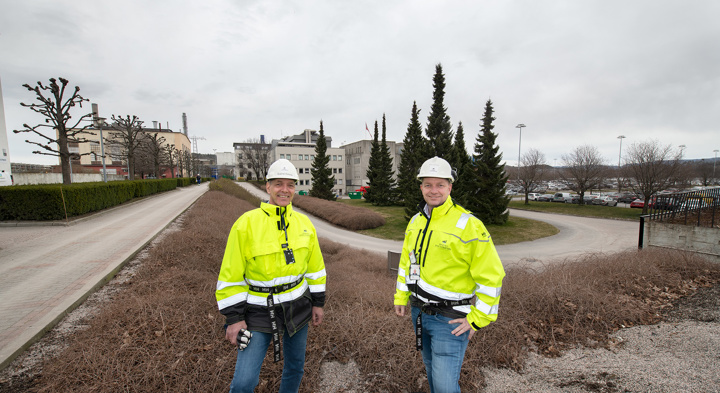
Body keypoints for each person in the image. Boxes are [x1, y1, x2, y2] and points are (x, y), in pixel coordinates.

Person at [393, 156, 505, 393]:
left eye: (440, 185)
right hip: (419, 312)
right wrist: (401, 297)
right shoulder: (416, 222)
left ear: (450, 186)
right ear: (421, 186)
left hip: (451, 320)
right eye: (428, 184)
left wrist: (476, 320)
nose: (434, 191)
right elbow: (406, 264)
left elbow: (492, 277)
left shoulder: (469, 225)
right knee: (432, 373)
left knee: (444, 386)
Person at [216, 159, 326, 393]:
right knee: (245, 381)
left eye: (290, 185)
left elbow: (315, 269)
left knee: (295, 367)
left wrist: (318, 303)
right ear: (267, 187)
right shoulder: (246, 224)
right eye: (278, 184)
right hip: (258, 311)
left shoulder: (305, 224)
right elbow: (230, 276)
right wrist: (234, 319)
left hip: (298, 307)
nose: (284, 190)